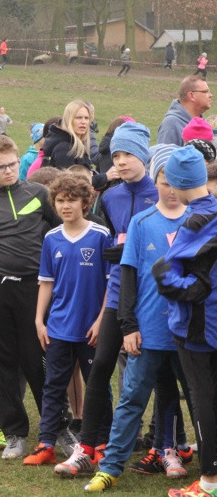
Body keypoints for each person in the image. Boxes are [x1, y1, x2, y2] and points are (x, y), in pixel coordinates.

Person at [78, 147, 191, 489]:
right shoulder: (142, 223)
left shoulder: (198, 222)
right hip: (148, 332)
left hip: (189, 333)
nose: (170, 189)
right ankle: (110, 468)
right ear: (155, 181)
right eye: (163, 181)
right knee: (131, 400)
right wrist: (129, 325)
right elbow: (126, 279)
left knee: (201, 402)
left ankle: (206, 468)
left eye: (177, 183)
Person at [63, 122, 157, 477]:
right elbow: (107, 243)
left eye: (128, 154)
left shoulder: (160, 194)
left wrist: (133, 254)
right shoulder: (112, 196)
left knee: (158, 377)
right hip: (118, 295)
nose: (121, 161)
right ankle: (88, 446)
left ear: (143, 156)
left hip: (150, 298)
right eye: (116, 155)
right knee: (100, 368)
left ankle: (165, 447)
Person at [0, 135, 59, 459]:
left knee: (37, 361)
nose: (8, 171)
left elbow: (61, 231)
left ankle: (55, 429)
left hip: (33, 288)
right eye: (1, 167)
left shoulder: (38, 193)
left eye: (13, 164)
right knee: (2, 365)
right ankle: (15, 433)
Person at [22, 173, 111, 467]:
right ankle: (46, 443)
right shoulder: (51, 238)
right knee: (53, 385)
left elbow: (112, 284)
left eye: (72, 199)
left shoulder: (100, 235)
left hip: (91, 329)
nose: (66, 205)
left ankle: (101, 442)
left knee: (97, 385)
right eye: (60, 200)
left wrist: (101, 321)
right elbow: (45, 282)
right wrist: (39, 320)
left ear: (85, 202)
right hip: (59, 326)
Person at [153, 145, 217, 497]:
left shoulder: (197, 222)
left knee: (203, 400)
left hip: (198, 327)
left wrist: (161, 271)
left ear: (174, 184)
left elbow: (192, 284)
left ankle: (208, 482)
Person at [158, 75, 213, 146]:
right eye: (205, 92)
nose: (210, 95)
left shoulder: (203, 122)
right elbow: (165, 155)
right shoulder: (171, 124)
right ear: (191, 95)